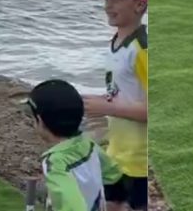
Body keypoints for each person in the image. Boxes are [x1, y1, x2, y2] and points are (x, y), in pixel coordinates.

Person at [84, 0, 148, 211]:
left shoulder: (142, 49)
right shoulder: (115, 42)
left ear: (139, 5)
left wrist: (105, 107)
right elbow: (124, 93)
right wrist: (100, 101)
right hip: (116, 152)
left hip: (138, 159)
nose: (108, 6)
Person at [24, 79, 123, 211]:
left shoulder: (55, 163)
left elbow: (71, 206)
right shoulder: (88, 144)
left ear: (40, 121)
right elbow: (113, 174)